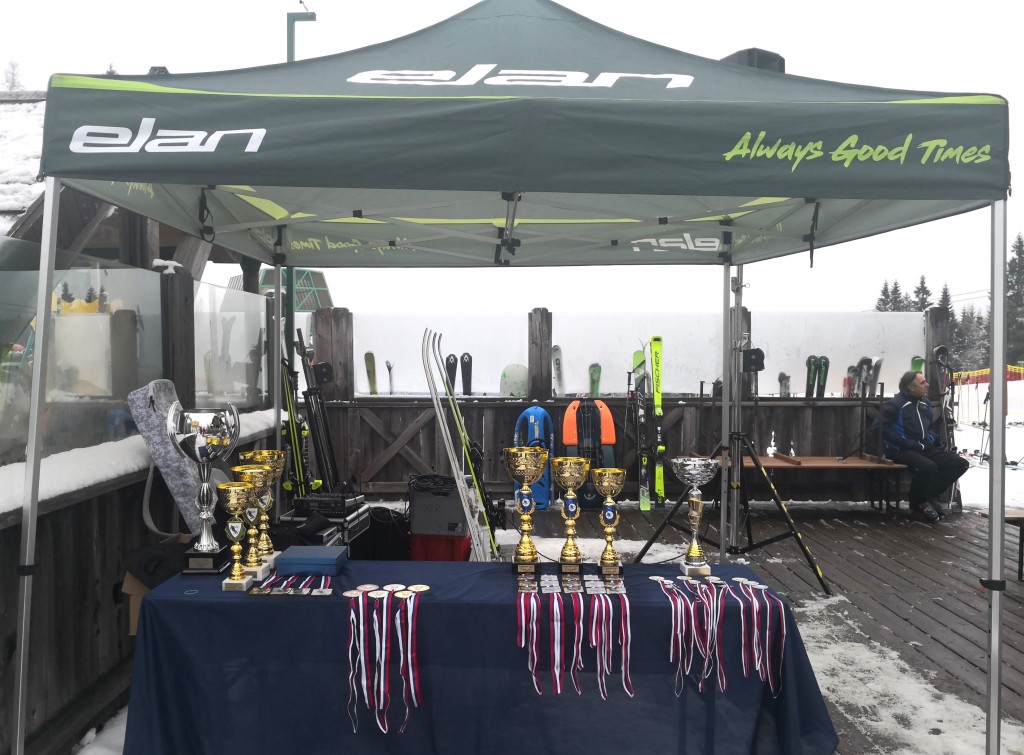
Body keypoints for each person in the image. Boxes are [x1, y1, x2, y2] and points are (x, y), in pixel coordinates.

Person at [876, 370, 969, 523]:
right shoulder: (895, 405)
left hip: (924, 448)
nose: (927, 385)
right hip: (900, 450)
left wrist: (929, 440)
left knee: (961, 464)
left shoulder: (925, 404)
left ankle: (930, 496)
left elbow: (931, 428)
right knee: (928, 467)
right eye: (922, 382)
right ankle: (917, 503)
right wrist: (905, 442)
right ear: (911, 387)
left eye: (926, 381)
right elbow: (880, 428)